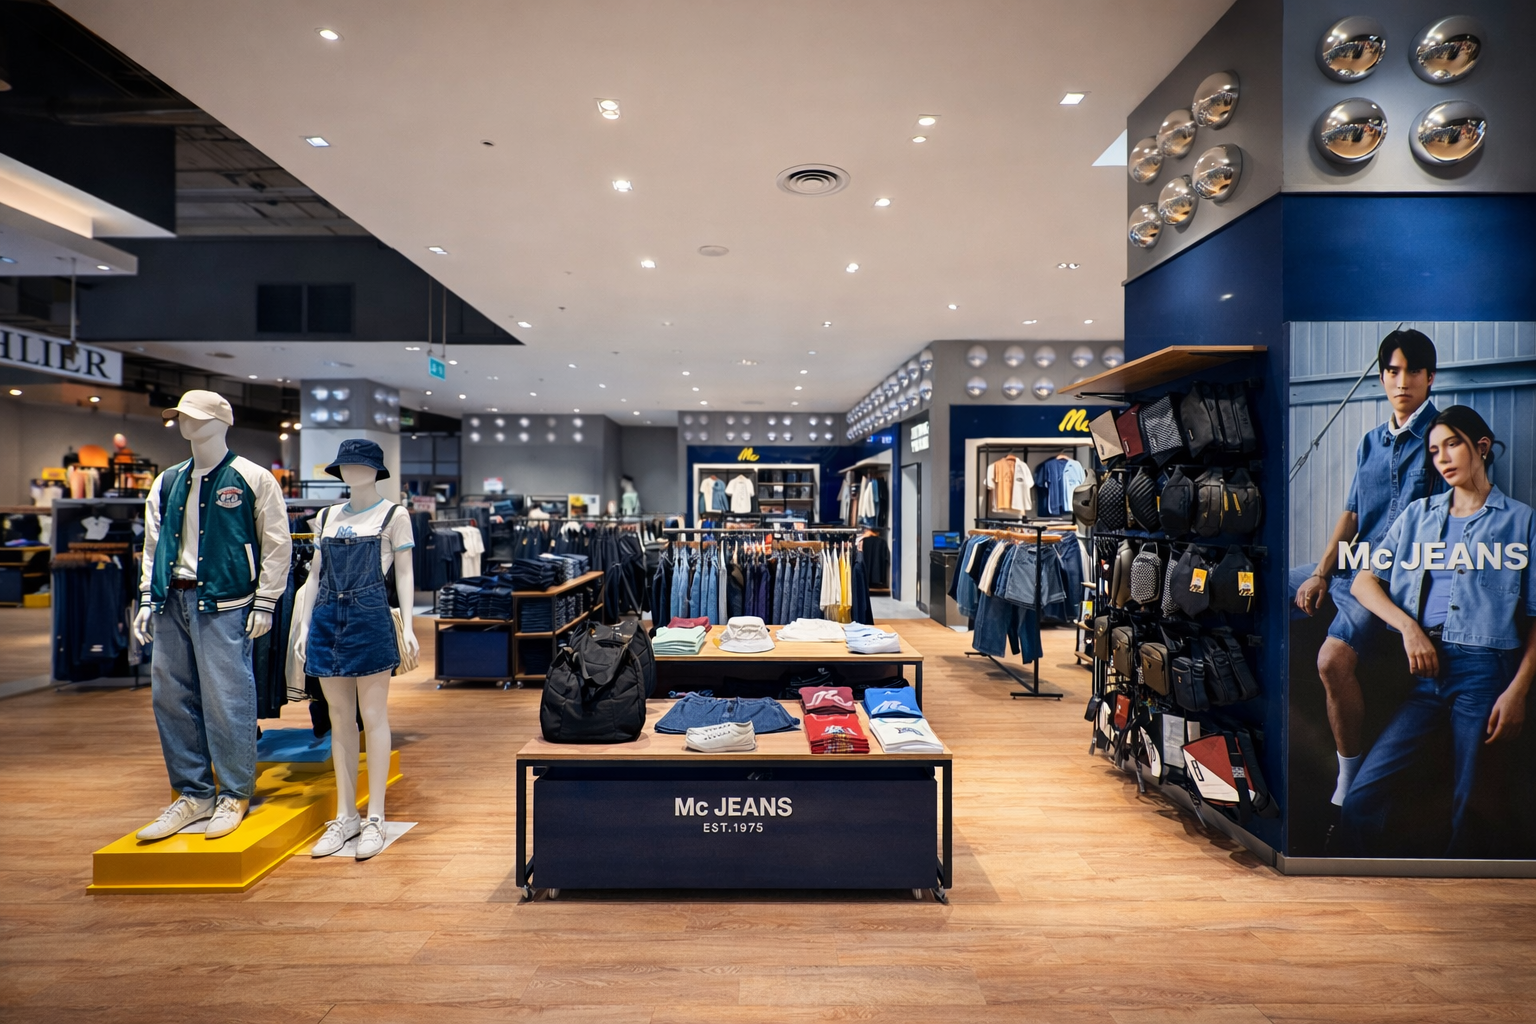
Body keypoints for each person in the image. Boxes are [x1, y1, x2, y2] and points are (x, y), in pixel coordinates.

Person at [1343, 406, 1536, 857]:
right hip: (1422, 671)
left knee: (1471, 809)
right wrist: (1408, 627)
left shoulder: (1521, 522)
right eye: (1434, 451)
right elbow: (1363, 581)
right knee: (1362, 799)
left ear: (1481, 447)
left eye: (1452, 444)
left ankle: (1459, 898)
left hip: (1485, 673)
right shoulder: (1417, 516)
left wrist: (1518, 692)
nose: (1442, 458)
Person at [1291, 329, 1440, 807]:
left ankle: (1348, 776)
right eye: (1393, 371)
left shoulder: (1442, 440)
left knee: (1331, 660)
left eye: (1413, 371)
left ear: (1430, 377)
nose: (1402, 381)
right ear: (1381, 378)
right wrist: (1320, 571)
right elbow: (1352, 515)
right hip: (1349, 568)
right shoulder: (1371, 442)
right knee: (1261, 586)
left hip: (1386, 582)